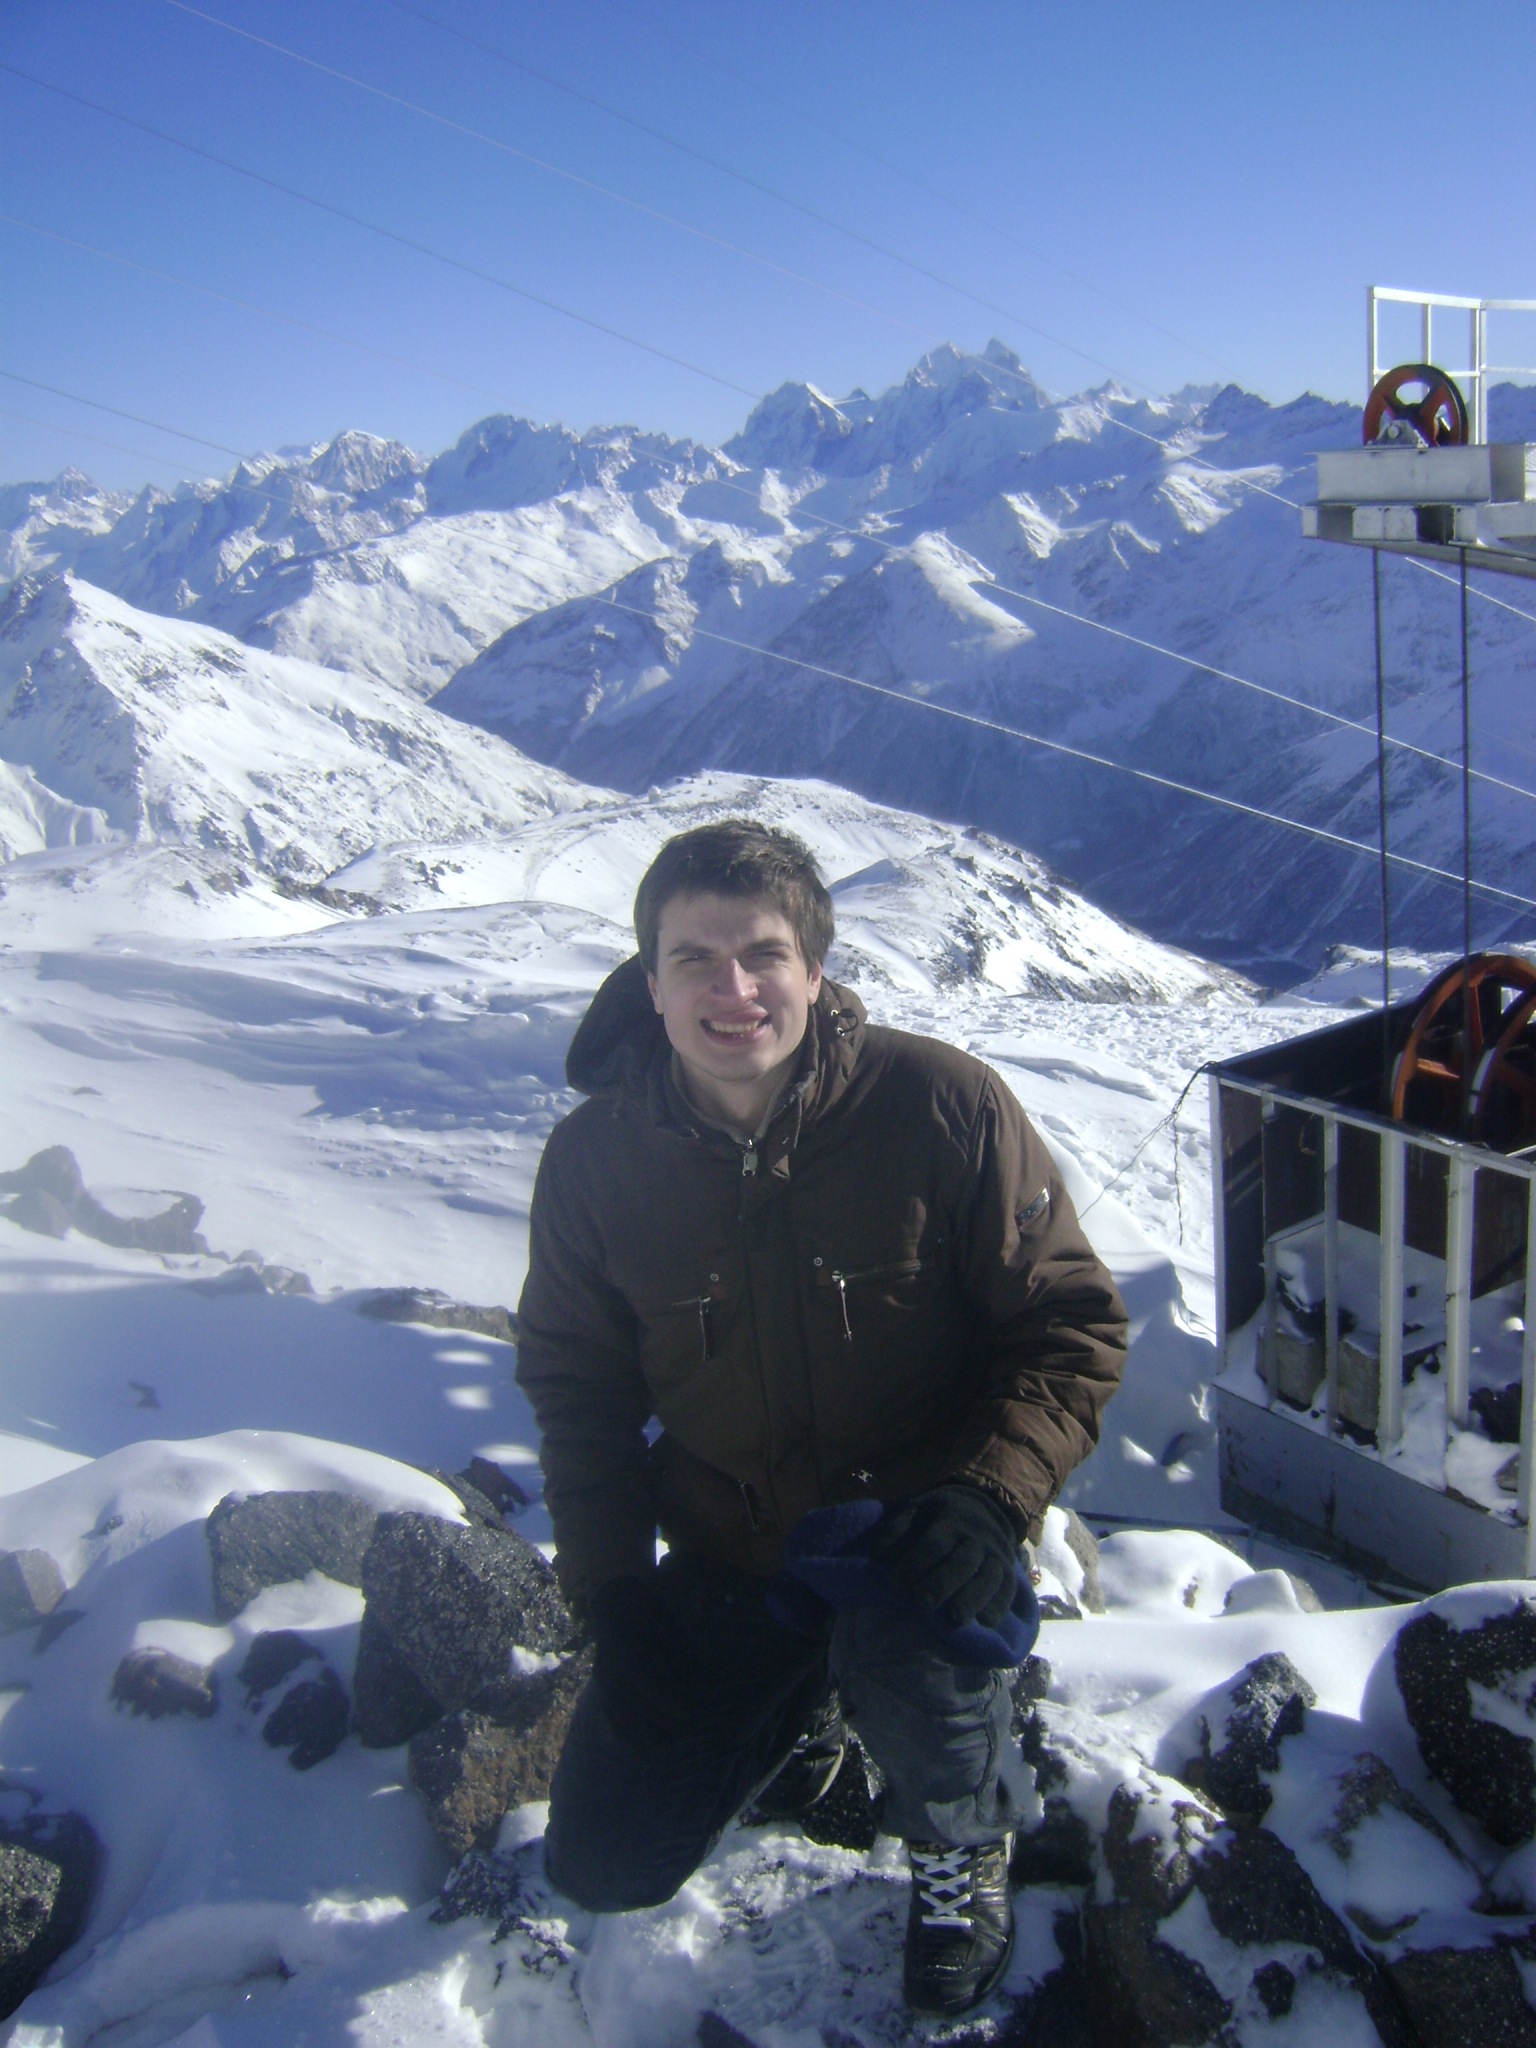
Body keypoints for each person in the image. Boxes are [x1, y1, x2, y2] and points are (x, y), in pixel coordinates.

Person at [516, 818, 1128, 2017]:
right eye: (695, 958)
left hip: (915, 1532)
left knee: (927, 1680)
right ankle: (803, 1715)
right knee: (603, 1859)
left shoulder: (938, 1105)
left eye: (763, 954)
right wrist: (613, 1591)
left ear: (814, 966)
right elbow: (579, 1395)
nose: (733, 990)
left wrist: (989, 1496)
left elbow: (1069, 1322)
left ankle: (963, 1826)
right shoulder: (596, 1163)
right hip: (730, 1543)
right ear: (651, 980)